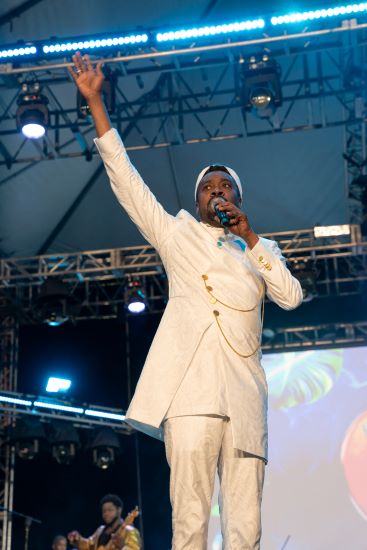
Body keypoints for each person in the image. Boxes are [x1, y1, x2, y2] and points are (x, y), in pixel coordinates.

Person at [69, 52, 303, 550]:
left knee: (245, 528)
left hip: (244, 398)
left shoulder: (261, 249)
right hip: (191, 396)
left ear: (239, 200)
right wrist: (96, 105)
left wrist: (252, 238)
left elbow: (291, 296)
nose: (218, 193)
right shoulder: (178, 235)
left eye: (227, 188)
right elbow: (128, 184)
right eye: (209, 188)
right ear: (197, 201)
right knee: (190, 522)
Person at [67, 494, 141, 550]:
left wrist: (123, 546)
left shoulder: (129, 531)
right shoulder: (100, 530)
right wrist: (77, 539)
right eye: (104, 511)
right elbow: (89, 544)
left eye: (110, 510)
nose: (106, 514)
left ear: (119, 510)